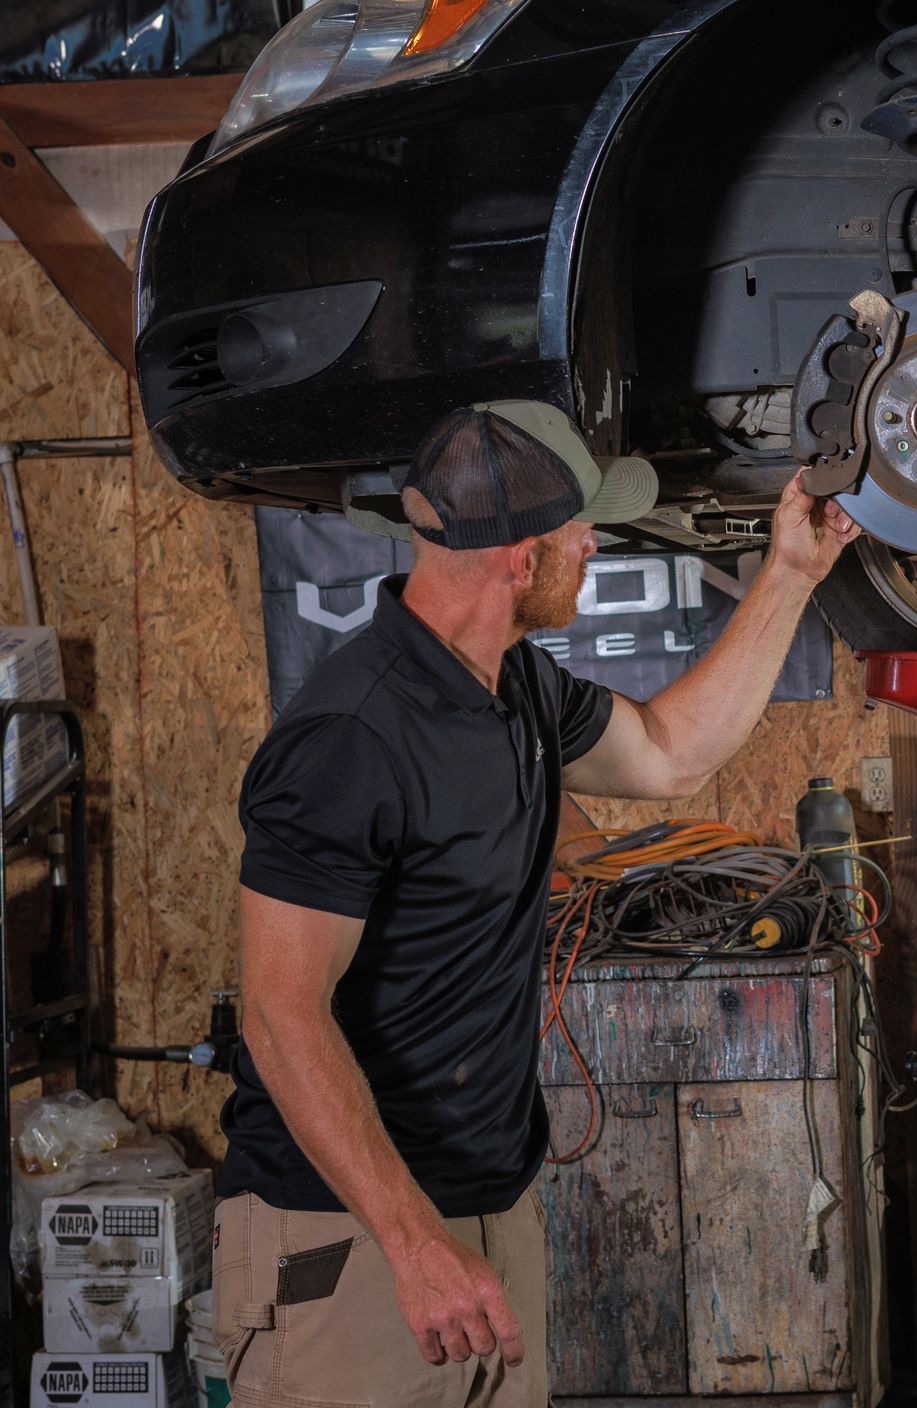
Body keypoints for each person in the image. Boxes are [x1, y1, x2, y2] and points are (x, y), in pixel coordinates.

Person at [210, 401, 859, 1407]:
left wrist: (790, 574)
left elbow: (672, 753)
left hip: (479, 1217)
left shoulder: (516, 687)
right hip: (347, 1238)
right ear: (521, 558)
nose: (594, 544)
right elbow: (278, 1014)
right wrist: (414, 1240)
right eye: (578, 531)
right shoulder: (349, 736)